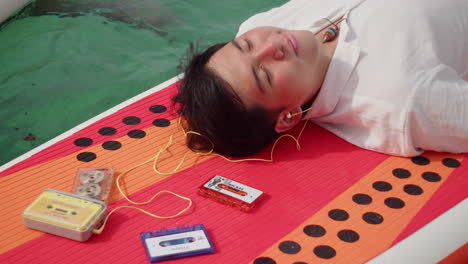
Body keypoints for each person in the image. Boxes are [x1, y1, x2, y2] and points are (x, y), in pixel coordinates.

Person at [173, 0, 468, 157]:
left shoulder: (258, 26)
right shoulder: (401, 98)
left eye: (245, 45)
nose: (270, 46)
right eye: (263, 75)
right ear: (288, 116)